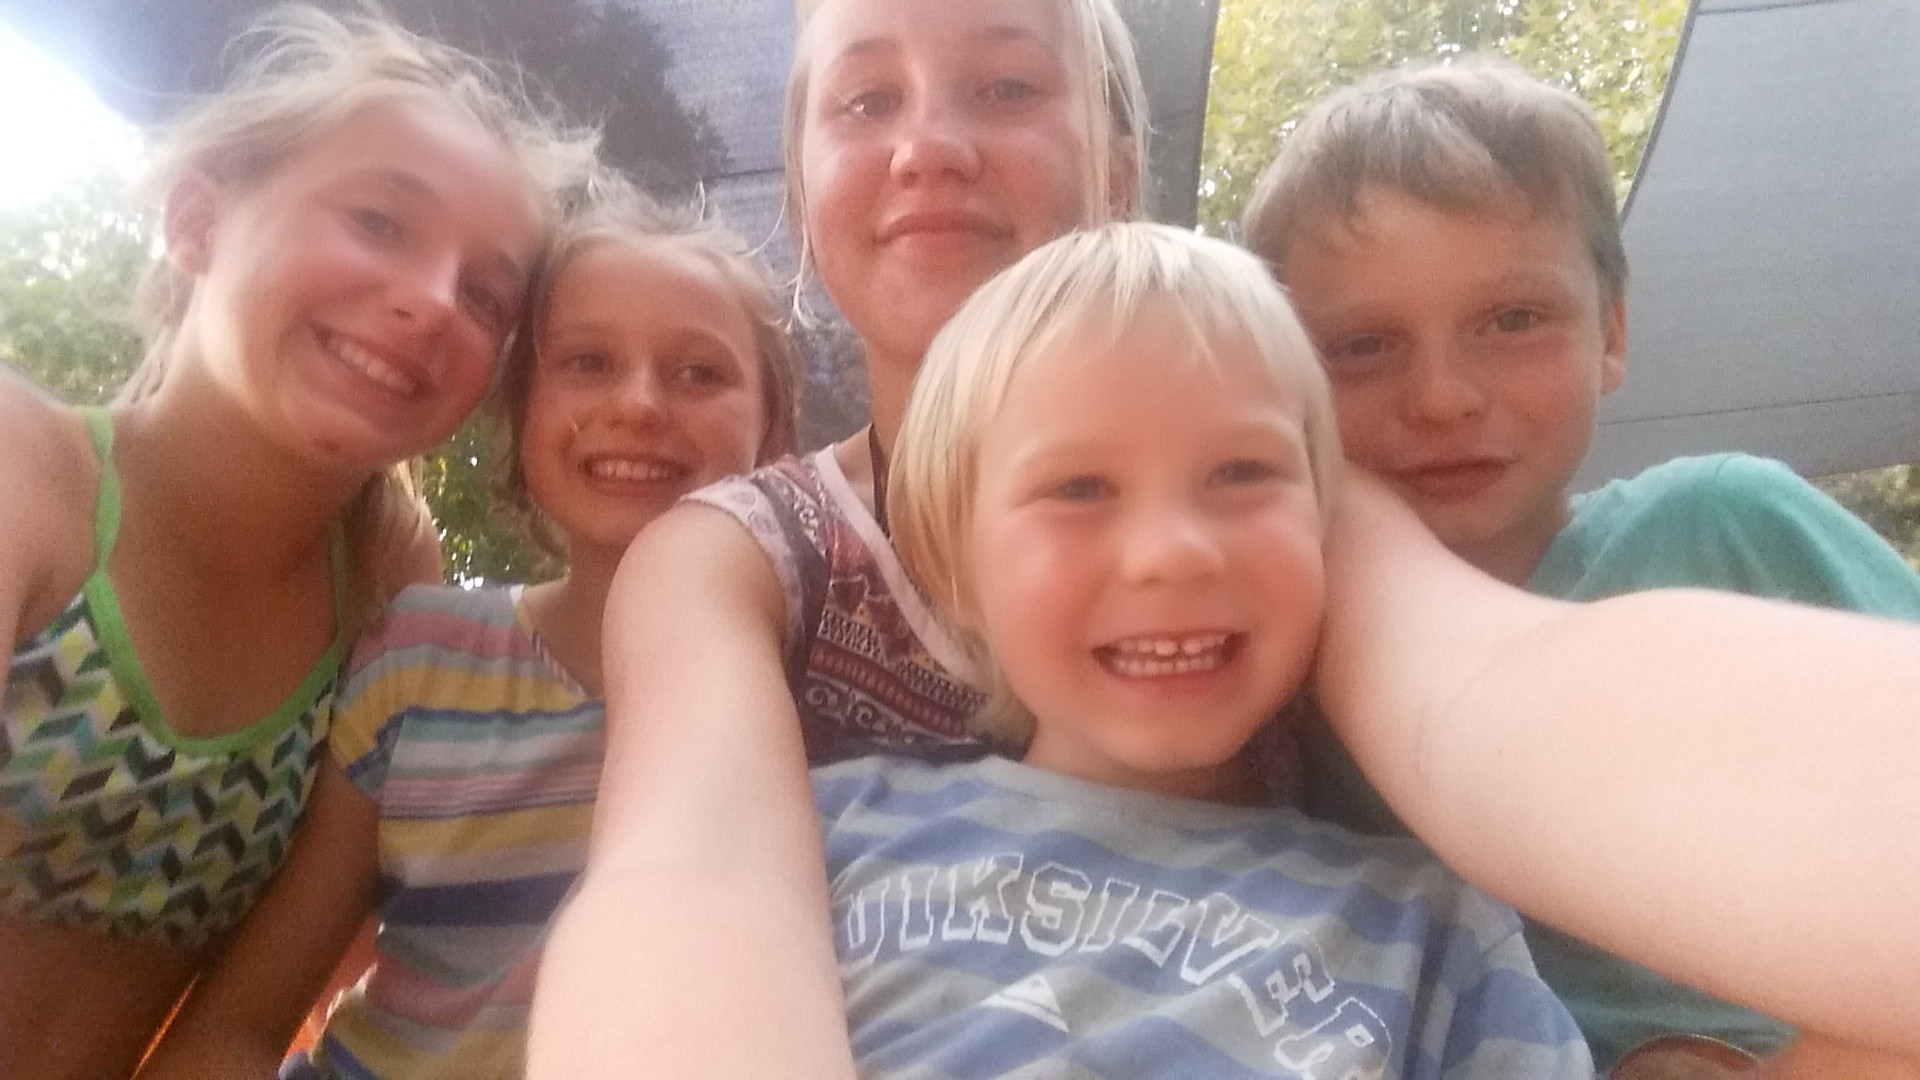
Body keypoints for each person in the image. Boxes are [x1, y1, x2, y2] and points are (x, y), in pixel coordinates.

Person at [1238, 58, 1920, 1070]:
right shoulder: (1276, 665)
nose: (1443, 397)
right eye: (1364, 346)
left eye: (1513, 320)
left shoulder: (1725, 527)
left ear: (1612, 331)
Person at [530, 1, 1150, 1075]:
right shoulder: (735, 561)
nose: (928, 148)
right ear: (805, 199)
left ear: (1121, 176)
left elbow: (1454, 695)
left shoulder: (1277, 493)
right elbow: (686, 878)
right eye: (867, 101)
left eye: (1007, 86)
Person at [821, 220, 1592, 1078]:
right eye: (1079, 488)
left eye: (1243, 473)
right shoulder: (831, 835)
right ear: (955, 570)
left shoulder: (1435, 938)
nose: (1174, 552)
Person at [0, 8, 593, 1078]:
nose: (430, 301)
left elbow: (251, 1016)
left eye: (484, 295)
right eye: (378, 221)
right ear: (197, 221)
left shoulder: (384, 587)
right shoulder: (27, 473)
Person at [133, 180, 801, 1080]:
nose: (640, 403)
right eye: (587, 362)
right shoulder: (422, 660)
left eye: (699, 373)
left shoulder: (820, 695)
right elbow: (240, 1025)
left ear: (774, 434)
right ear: (519, 415)